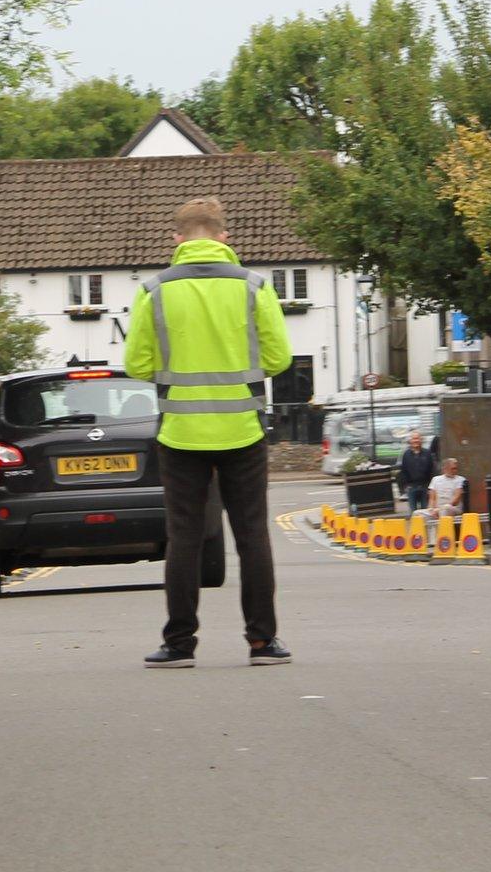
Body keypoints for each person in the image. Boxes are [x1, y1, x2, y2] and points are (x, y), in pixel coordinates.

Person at [125, 196, 292, 668]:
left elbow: (136, 363)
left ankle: (179, 644)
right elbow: (278, 359)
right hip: (242, 429)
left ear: (176, 239)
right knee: (252, 535)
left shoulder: (154, 291)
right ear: (223, 236)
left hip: (180, 433)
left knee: (184, 538)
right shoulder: (253, 288)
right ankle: (263, 642)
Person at [395, 431, 437, 513]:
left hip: (425, 486)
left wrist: (431, 487)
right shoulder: (406, 454)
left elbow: (432, 470)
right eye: (414, 439)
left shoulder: (427, 453)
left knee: (426, 512)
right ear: (410, 441)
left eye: (417, 438)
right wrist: (405, 487)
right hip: (411, 487)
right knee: (413, 513)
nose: (416, 441)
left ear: (421, 440)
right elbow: (403, 471)